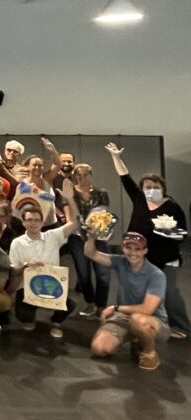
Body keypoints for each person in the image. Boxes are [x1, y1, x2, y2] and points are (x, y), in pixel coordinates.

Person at [106, 142, 189, 339]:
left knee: (169, 293)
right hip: (138, 256)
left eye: (155, 187)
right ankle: (135, 320)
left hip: (166, 258)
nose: (151, 190)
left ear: (163, 188)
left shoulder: (172, 206)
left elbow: (182, 233)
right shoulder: (139, 199)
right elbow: (125, 178)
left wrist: (170, 232)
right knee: (136, 290)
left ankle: (182, 326)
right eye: (147, 187)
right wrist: (116, 157)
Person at [85, 231, 170, 370]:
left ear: (145, 251)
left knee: (138, 320)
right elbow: (91, 253)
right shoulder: (120, 262)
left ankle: (149, 353)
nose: (132, 253)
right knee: (99, 348)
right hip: (124, 318)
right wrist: (91, 237)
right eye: (128, 248)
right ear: (123, 249)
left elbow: (147, 309)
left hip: (153, 320)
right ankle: (133, 337)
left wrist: (115, 308)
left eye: (137, 249)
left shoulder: (156, 275)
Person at [8, 179, 80, 338]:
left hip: (51, 286)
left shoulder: (53, 236)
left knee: (70, 305)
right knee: (24, 317)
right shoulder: (17, 243)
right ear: (23, 221)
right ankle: (30, 317)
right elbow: (14, 270)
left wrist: (69, 199)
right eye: (29, 220)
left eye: (37, 220)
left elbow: (75, 223)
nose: (33, 223)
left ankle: (56, 321)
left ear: (42, 222)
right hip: (27, 287)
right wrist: (26, 265)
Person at [69, 163, 111, 317]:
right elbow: (70, 216)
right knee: (83, 274)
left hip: (98, 237)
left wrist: (94, 230)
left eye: (85, 175)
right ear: (74, 178)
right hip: (77, 238)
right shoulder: (70, 194)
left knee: (103, 273)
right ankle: (90, 302)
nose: (82, 178)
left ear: (91, 176)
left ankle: (101, 306)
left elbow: (104, 214)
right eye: (78, 175)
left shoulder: (101, 193)